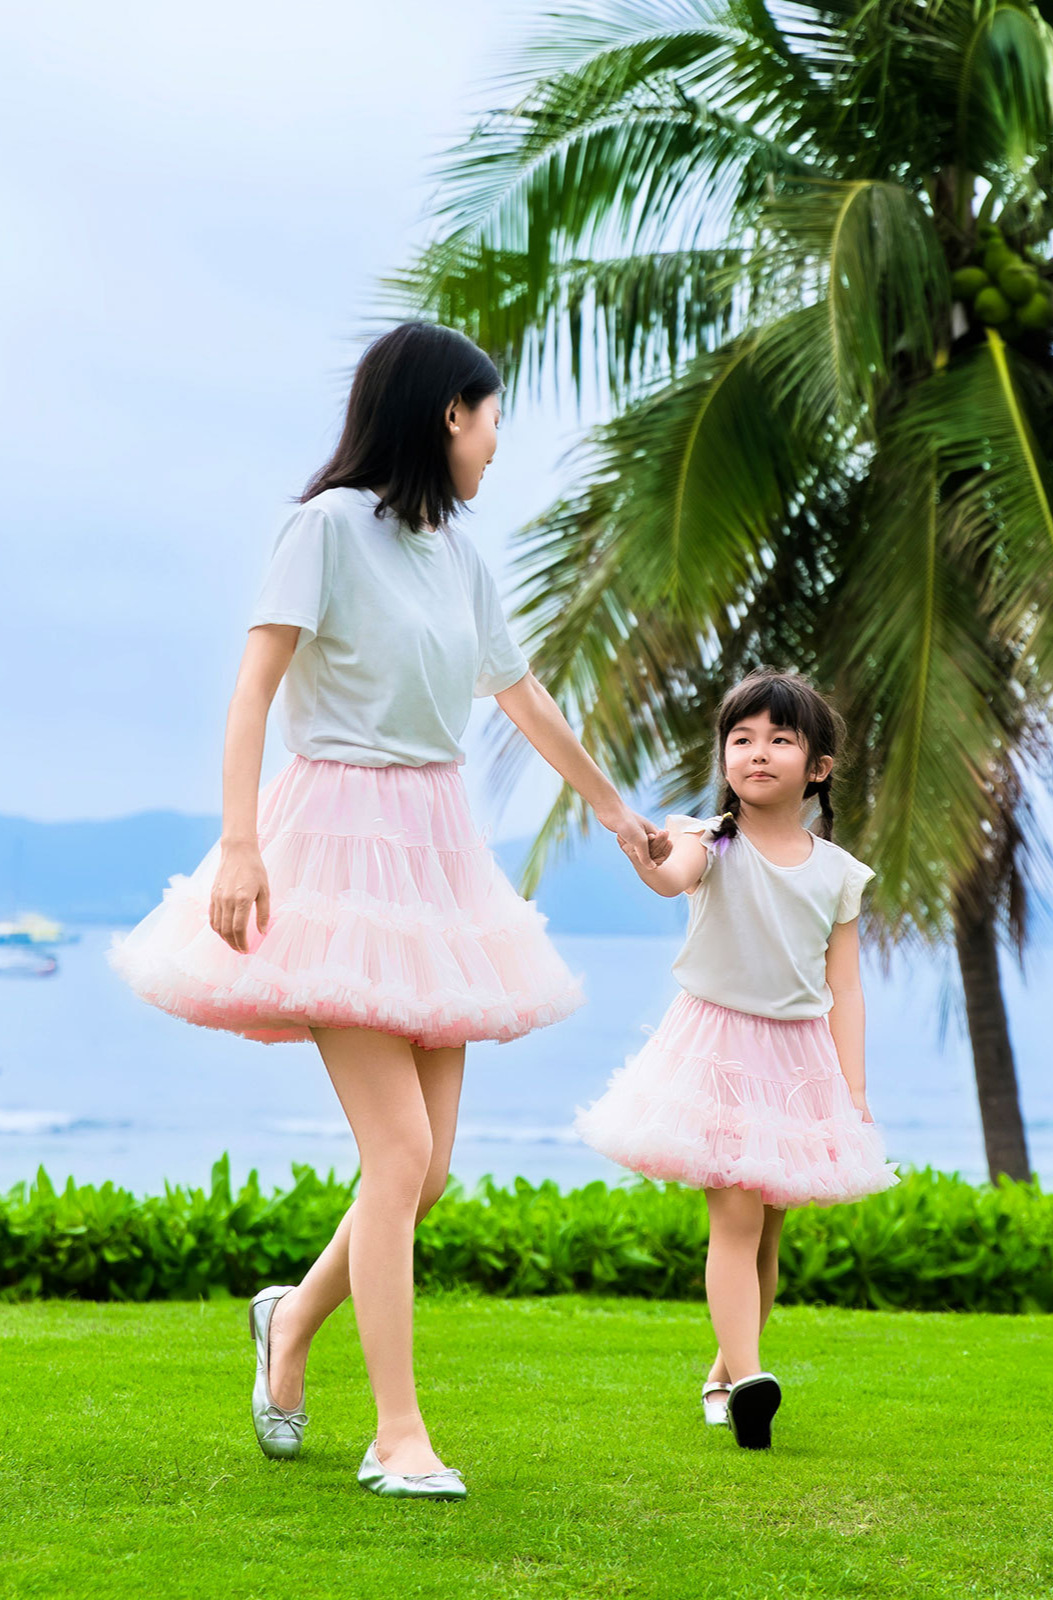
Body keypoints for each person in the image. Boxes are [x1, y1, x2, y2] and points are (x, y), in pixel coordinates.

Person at [109, 322, 666, 1501]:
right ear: (446, 413)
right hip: (333, 844)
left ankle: (288, 1321)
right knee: (399, 1152)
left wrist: (617, 814)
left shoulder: (459, 554)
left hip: (437, 850)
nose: (497, 441)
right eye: (491, 416)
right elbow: (253, 691)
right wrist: (241, 844)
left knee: (428, 1171)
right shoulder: (322, 528)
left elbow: (522, 695)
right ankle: (399, 1434)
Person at [574, 668, 898, 1450]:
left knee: (768, 1233)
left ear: (817, 767)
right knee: (737, 1218)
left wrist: (853, 1091)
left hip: (798, 1059)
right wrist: (645, 853)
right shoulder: (709, 839)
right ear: (724, 756)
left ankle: (726, 1374)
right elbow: (670, 878)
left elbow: (845, 988)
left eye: (780, 740)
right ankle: (752, 1381)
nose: (757, 752)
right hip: (716, 1049)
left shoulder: (839, 873)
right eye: (742, 738)